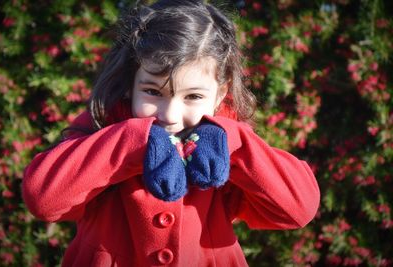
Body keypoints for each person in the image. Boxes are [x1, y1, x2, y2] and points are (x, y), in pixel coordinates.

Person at [22, 0, 320, 266]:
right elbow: (43, 199)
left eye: (193, 97)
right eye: (153, 91)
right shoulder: (103, 127)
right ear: (130, 82)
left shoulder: (223, 144)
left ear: (220, 94)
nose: (170, 115)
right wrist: (132, 142)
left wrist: (234, 143)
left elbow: (298, 210)